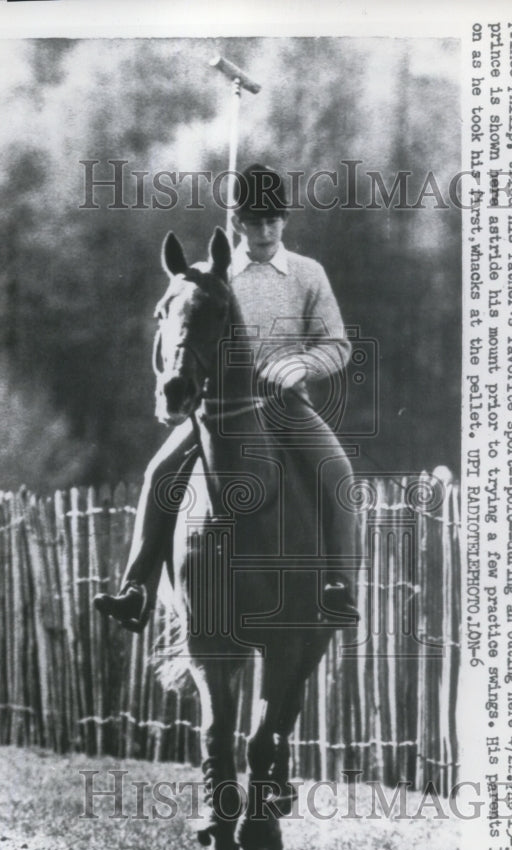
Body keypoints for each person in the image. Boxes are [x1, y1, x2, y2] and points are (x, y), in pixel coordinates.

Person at [94, 163, 359, 632]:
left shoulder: (307, 274)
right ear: (237, 223)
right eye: (254, 221)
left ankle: (337, 584)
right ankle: (137, 589)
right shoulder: (211, 275)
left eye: (273, 220)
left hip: (286, 402)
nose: (264, 230)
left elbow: (337, 345)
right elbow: (177, 335)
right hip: (218, 410)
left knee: (337, 470)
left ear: (285, 220)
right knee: (159, 473)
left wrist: (300, 365)